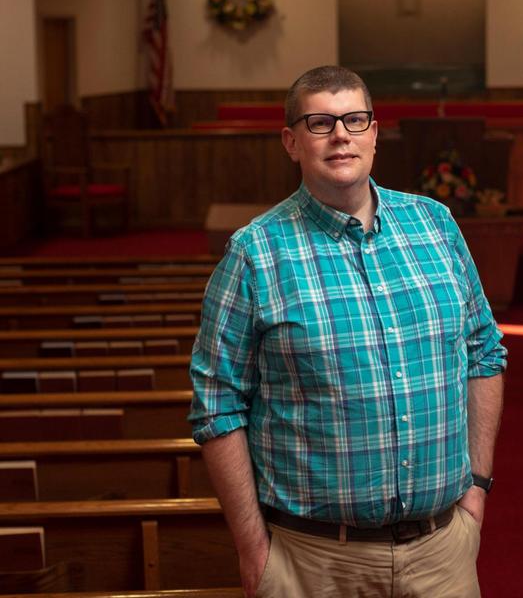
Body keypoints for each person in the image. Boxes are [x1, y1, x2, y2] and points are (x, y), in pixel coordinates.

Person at [189, 65, 506, 598]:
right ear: (291, 142)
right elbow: (216, 404)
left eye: (355, 120)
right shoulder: (255, 253)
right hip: (315, 562)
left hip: (442, 552)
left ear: (375, 134)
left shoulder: (436, 225)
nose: (341, 135)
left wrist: (476, 490)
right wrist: (253, 550)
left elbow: (484, 353)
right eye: (321, 123)